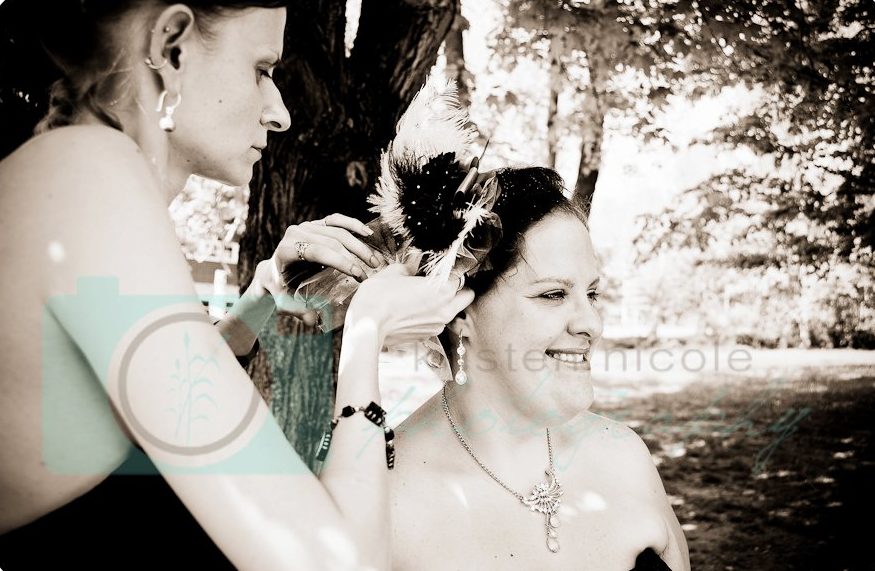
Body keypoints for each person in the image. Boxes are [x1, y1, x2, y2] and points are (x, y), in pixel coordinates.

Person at [0, 2, 472, 569]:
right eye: (262, 69)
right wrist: (368, 333)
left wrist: (264, 294)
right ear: (172, 46)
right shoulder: (88, 178)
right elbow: (333, 562)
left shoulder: (75, 181)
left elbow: (153, 401)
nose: (281, 115)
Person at [389, 167, 691, 570]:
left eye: (592, 293)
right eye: (553, 294)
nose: (592, 324)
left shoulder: (625, 454)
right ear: (457, 310)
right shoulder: (383, 494)